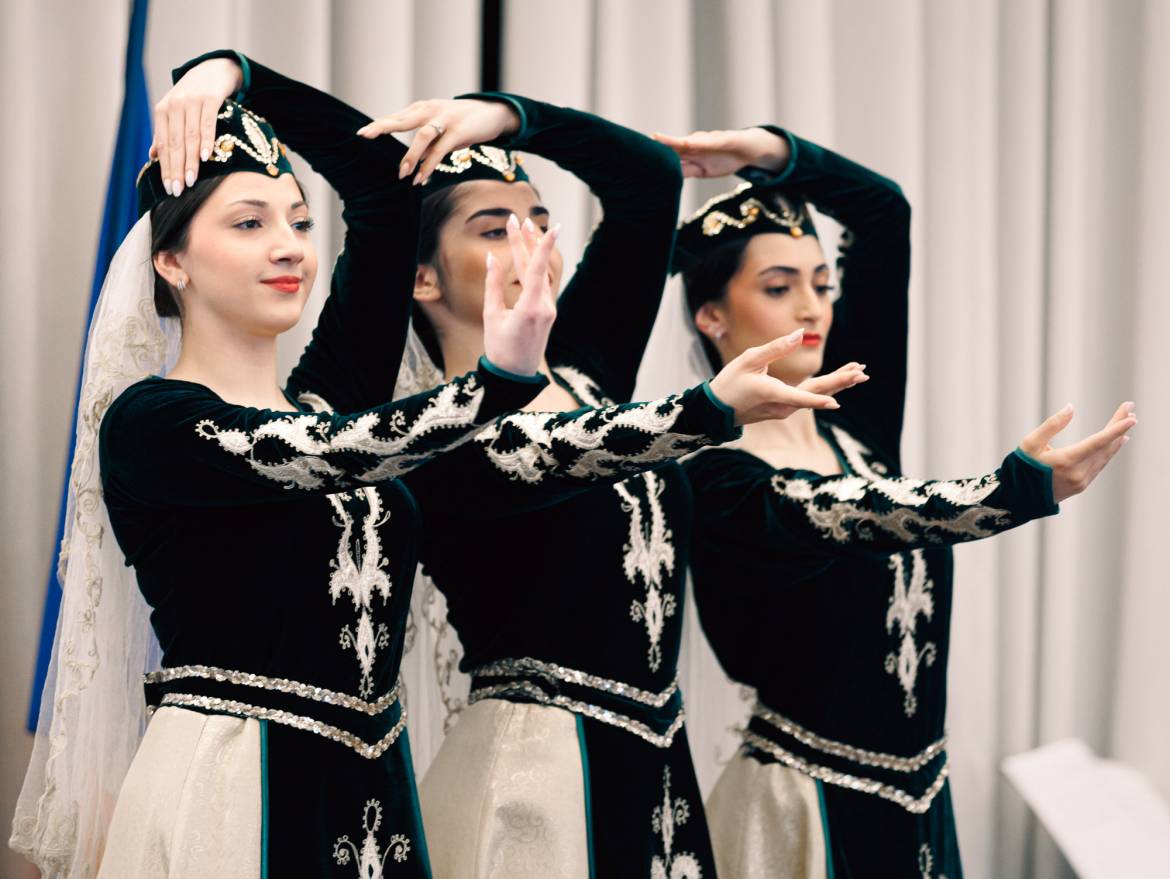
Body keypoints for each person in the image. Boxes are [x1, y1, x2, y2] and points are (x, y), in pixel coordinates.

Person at [12, 50, 564, 879]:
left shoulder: (326, 396)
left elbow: (384, 185)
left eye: (301, 222)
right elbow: (325, 455)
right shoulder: (150, 424)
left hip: (371, 796)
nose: (290, 247)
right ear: (172, 261)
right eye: (248, 223)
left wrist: (232, 73)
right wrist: (495, 387)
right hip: (228, 788)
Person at [357, 95, 863, 877]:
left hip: (655, 771)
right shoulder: (430, 433)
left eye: (538, 218)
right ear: (422, 278)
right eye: (494, 229)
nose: (531, 241)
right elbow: (550, 451)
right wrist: (706, 411)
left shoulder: (591, 369)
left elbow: (646, 177)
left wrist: (508, 117)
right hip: (533, 783)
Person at [659, 123, 1136, 878]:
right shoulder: (713, 474)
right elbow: (852, 516)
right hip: (802, 810)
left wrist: (763, 152)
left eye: (821, 283)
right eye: (779, 287)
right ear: (711, 315)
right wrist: (1012, 490)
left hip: (918, 804)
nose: (812, 308)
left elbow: (884, 213)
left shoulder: (860, 427)